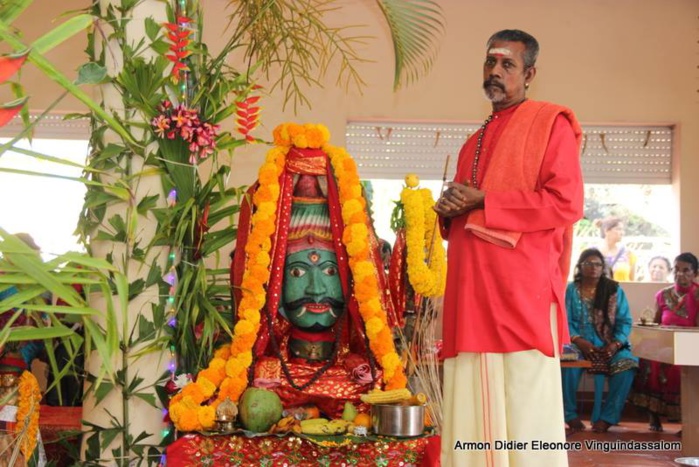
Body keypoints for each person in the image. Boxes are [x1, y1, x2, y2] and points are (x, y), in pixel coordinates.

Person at [434, 29, 583, 467]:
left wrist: (484, 200)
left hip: (520, 291)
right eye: (489, 63)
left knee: (523, 394)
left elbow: (566, 202)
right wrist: (450, 209)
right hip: (470, 288)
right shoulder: (472, 142)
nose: (495, 72)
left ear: (529, 73)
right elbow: (468, 214)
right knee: (468, 391)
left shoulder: (549, 122)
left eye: (507, 65)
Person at [562, 248, 638, 434]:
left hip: (610, 344)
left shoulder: (613, 290)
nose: (593, 268)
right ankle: (569, 415)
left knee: (627, 365)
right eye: (588, 264)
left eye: (597, 264)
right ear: (580, 267)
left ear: (603, 267)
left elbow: (625, 321)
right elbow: (565, 319)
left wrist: (615, 344)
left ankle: (607, 418)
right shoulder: (572, 290)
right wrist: (579, 341)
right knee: (566, 361)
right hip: (578, 344)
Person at [631, 252, 699, 432]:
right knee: (647, 359)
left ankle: (688, 423)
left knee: (680, 367)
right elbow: (657, 323)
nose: (680, 274)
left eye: (686, 271)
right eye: (676, 270)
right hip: (665, 344)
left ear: (695, 273)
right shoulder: (662, 295)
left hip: (691, 346)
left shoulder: (698, 294)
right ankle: (653, 415)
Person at [595, 216, 637, 281]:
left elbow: (632, 283)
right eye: (618, 229)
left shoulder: (628, 254)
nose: (622, 233)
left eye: (622, 230)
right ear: (606, 230)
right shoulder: (592, 253)